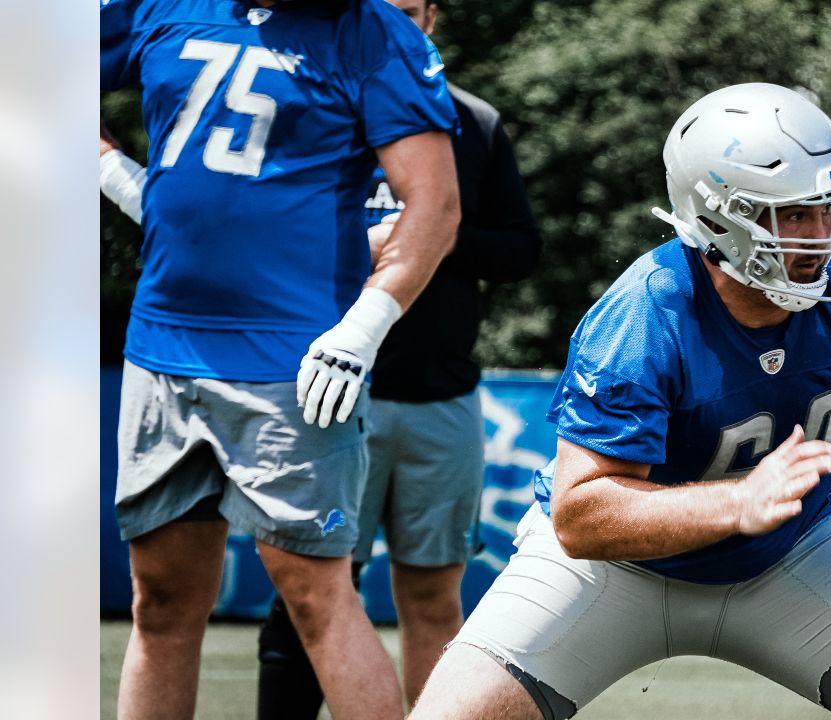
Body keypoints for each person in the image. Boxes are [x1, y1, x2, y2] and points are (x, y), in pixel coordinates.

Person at [410, 83, 831, 720]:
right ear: (715, 221)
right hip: (614, 570)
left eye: (830, 207)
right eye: (791, 215)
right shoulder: (645, 314)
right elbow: (579, 516)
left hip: (797, 547)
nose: (823, 237)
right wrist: (736, 501)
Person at [99, 1, 461, 718]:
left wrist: (363, 328)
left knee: (315, 594)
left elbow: (436, 204)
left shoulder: (369, 30)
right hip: (161, 347)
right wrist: (116, 174)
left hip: (290, 359)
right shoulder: (163, 5)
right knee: (161, 600)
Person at [253, 1, 542, 715]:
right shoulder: (309, 104)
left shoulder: (473, 122)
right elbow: (261, 229)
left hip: (440, 398)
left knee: (435, 596)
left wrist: (430, 231)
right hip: (324, 395)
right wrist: (361, 236)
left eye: (412, 12)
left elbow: (522, 250)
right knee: (308, 592)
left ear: (436, 18)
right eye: (385, 10)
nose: (399, 26)